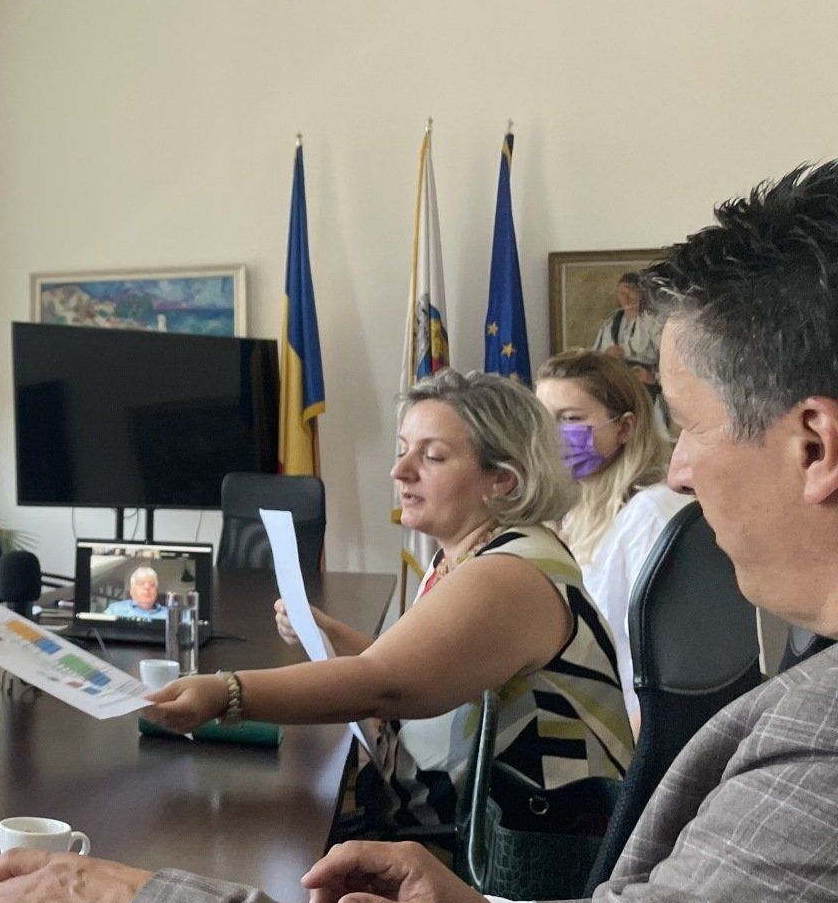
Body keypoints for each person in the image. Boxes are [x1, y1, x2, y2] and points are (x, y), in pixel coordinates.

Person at [0, 163, 838, 903]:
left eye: (688, 426)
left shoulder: (811, 735)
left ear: (814, 446)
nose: (681, 471)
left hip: (520, 851)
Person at [144, 367, 632, 834]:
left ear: (502, 478)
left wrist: (227, 692)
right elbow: (423, 667)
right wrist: (331, 634)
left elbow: (385, 687)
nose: (400, 471)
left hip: (513, 855)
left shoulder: (509, 575)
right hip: (442, 823)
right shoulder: (467, 557)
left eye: (432, 456)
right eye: (402, 450)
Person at [536, 348, 692, 722]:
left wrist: (635, 757)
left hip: (629, 732)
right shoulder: (567, 513)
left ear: (624, 427)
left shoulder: (651, 513)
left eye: (570, 419)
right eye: (542, 420)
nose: (552, 436)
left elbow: (669, 667)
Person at [594, 270, 663, 384]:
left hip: (646, 382)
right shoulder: (610, 323)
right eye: (622, 293)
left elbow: (666, 356)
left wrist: (653, 378)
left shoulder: (653, 322)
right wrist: (607, 355)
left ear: (641, 293)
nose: (625, 298)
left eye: (631, 292)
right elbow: (595, 356)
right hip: (617, 380)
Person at [103, 565, 167, 619]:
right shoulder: (115, 609)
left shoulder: (168, 614)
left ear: (156, 591)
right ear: (131, 591)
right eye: (141, 583)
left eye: (152, 585)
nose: (147, 587)